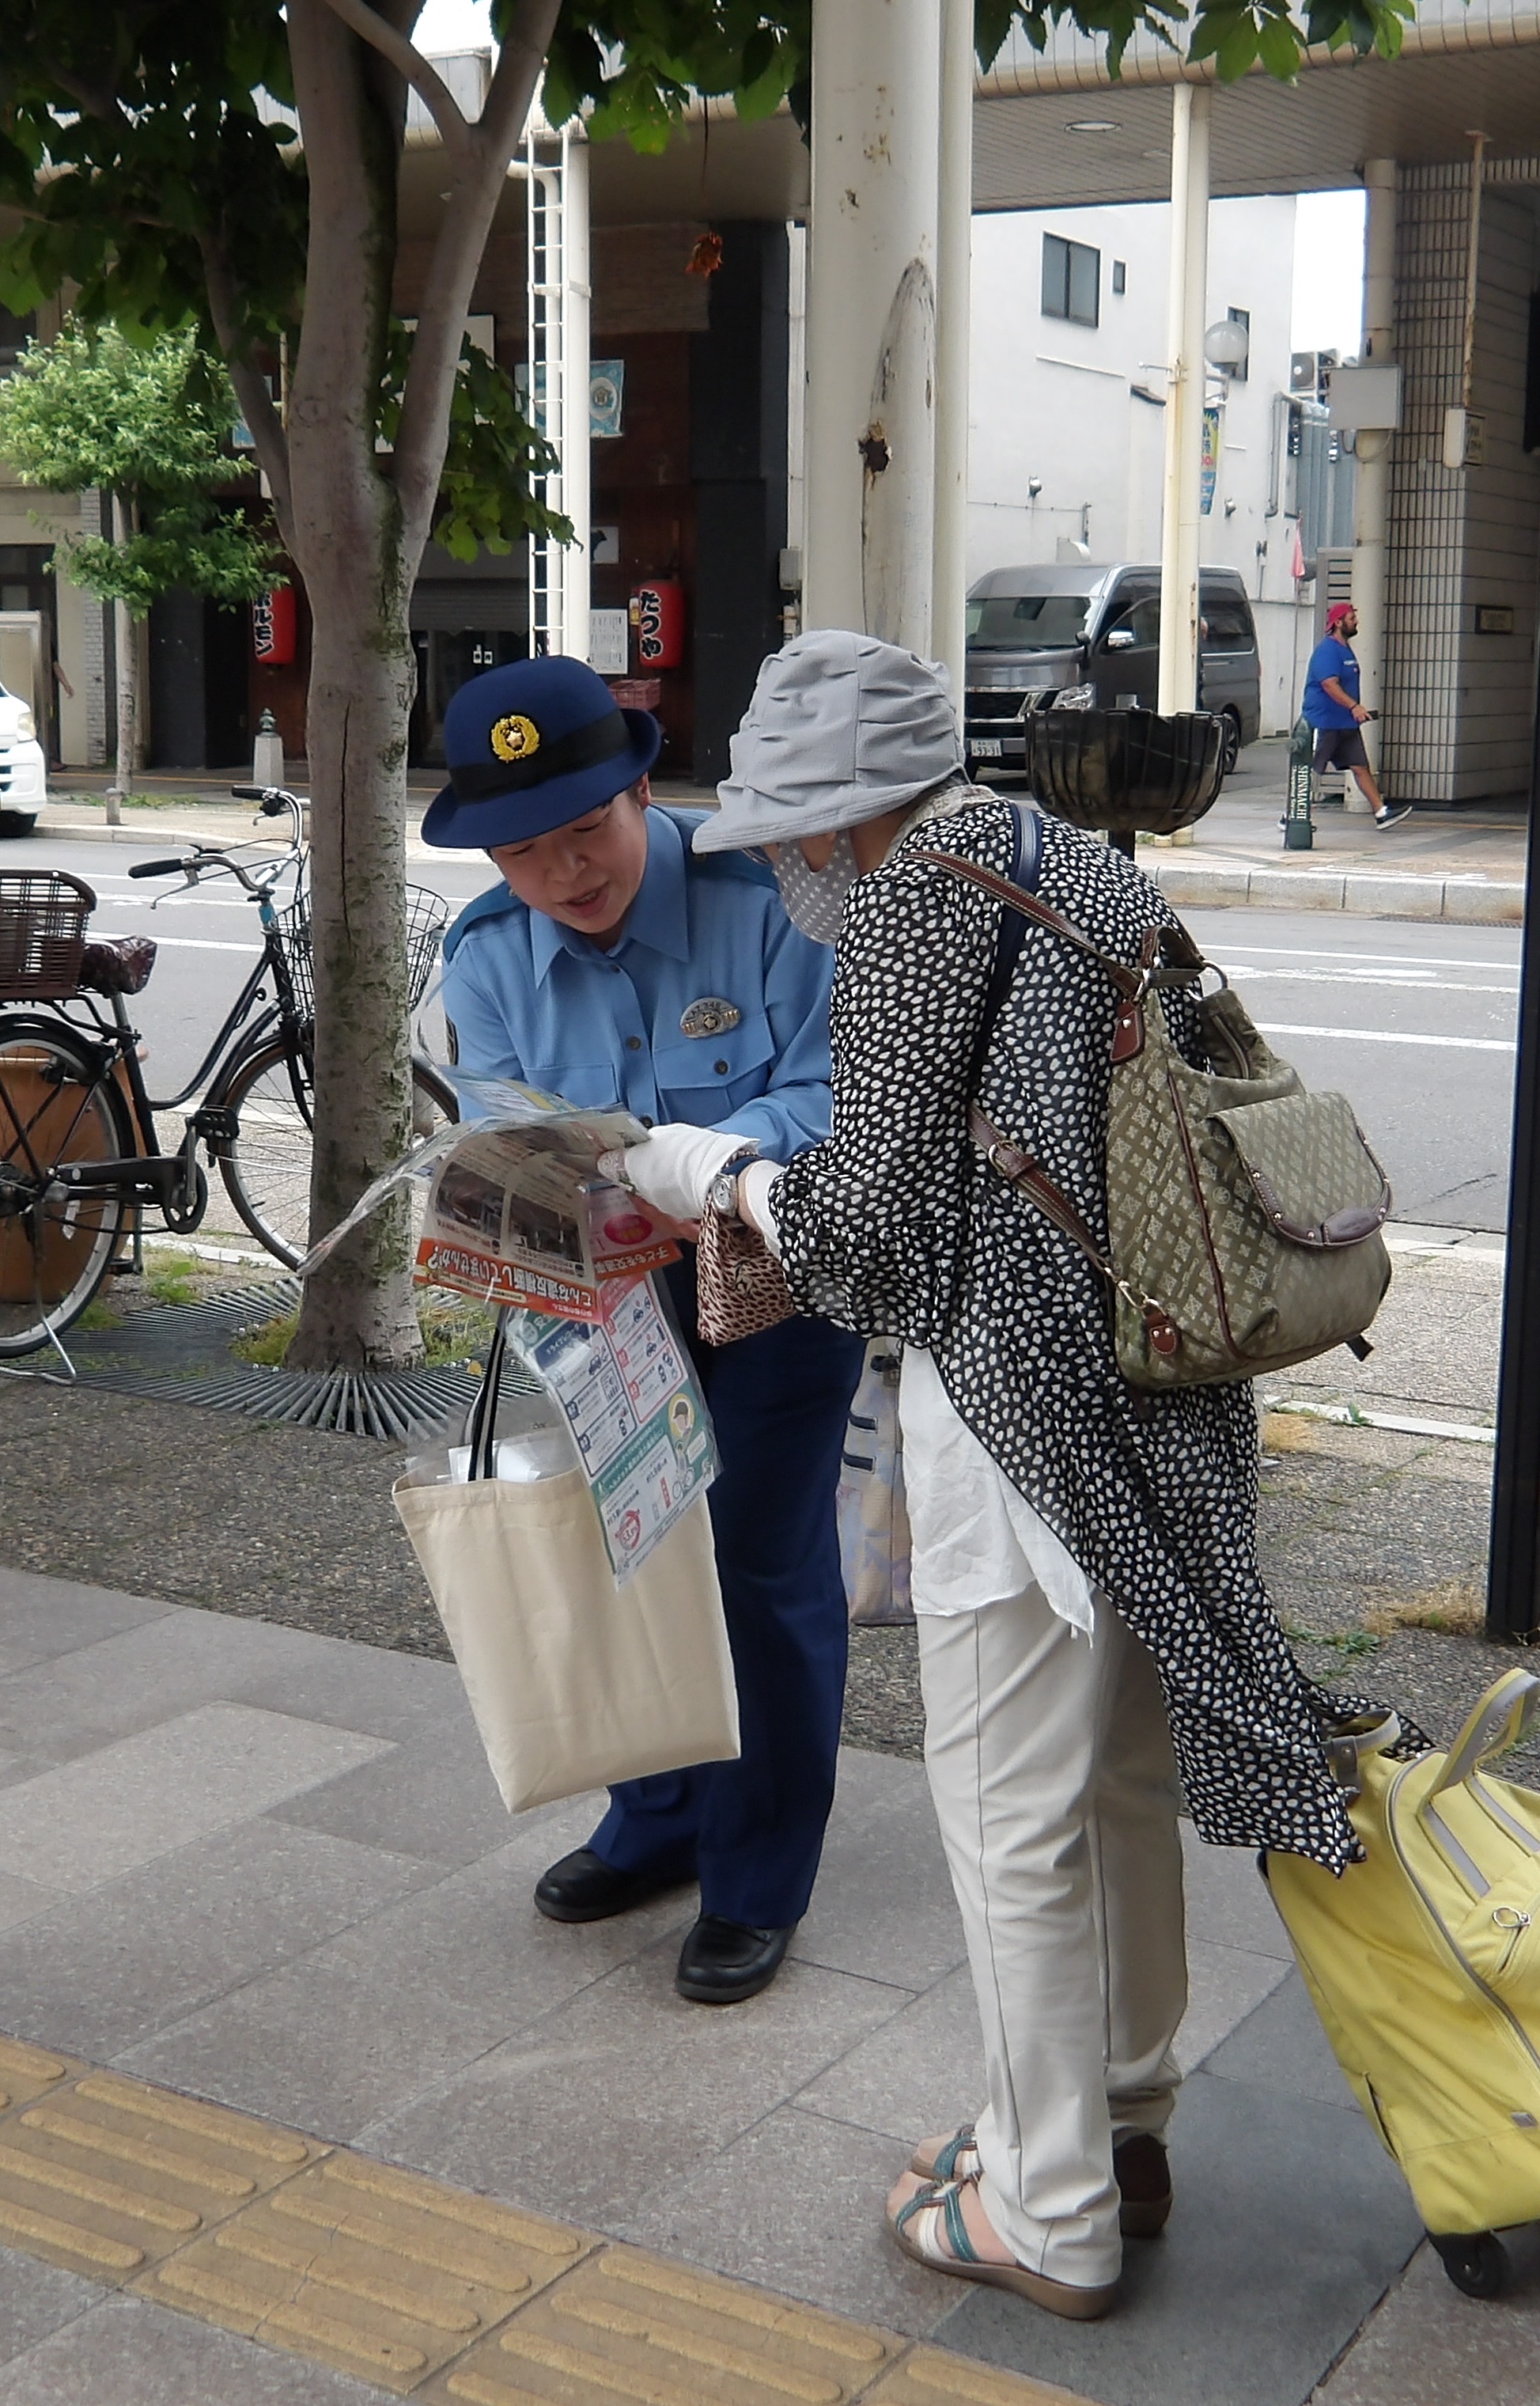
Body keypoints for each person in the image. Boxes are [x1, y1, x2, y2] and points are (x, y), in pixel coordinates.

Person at [613, 629, 1397, 2319]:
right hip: (1162, 1394)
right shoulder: (1069, 861)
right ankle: (1123, 2124)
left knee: (1008, 1823)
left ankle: (1048, 2210)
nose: (787, 873)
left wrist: (713, 1169)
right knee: (1115, 1781)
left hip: (1022, 1425)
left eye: (790, 837)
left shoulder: (909, 904)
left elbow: (864, 1235)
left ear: (835, 820)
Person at [430, 654, 865, 2006]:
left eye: (586, 828)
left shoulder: (770, 902)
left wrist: (696, 1170)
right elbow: (501, 1125)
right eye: (524, 848)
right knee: (638, 1542)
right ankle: (657, 1817)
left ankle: (756, 1871)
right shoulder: (487, 957)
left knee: (756, 1561)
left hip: (780, 1272)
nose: (565, 871)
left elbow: (827, 1088)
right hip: (614, 1294)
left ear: (641, 788)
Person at [1302, 601, 1409, 829]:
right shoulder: (1327, 650)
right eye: (1351, 618)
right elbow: (1330, 685)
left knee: (1360, 766)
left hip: (1345, 723)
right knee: (1311, 770)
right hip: (1325, 722)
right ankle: (1293, 815)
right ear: (1338, 623)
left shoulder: (1345, 649)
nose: (1356, 621)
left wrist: (1353, 711)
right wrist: (1354, 707)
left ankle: (1381, 813)